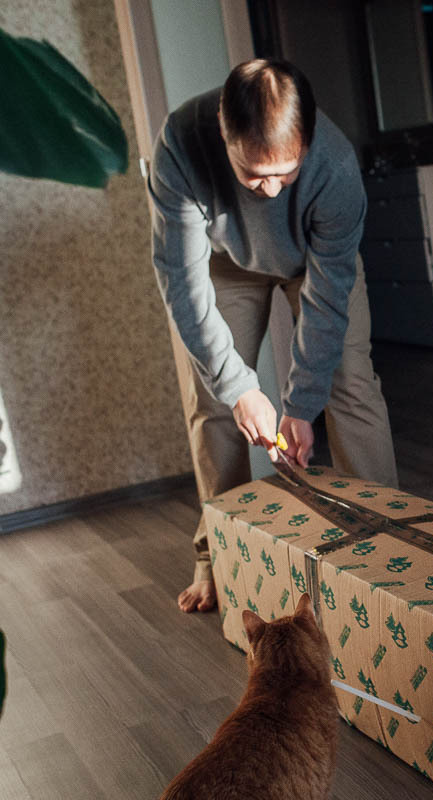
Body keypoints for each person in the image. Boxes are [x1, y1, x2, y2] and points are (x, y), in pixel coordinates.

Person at [149, 59, 398, 613]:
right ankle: (219, 555)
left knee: (351, 383)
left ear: (306, 140)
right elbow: (183, 285)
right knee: (214, 403)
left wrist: (301, 405)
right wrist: (240, 388)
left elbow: (328, 298)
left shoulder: (335, 166)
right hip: (225, 262)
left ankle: (386, 543)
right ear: (224, 134)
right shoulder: (181, 143)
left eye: (285, 174)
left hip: (314, 259)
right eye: (254, 175)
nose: (270, 191)